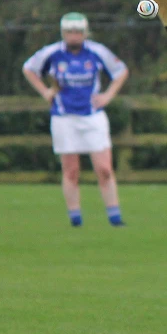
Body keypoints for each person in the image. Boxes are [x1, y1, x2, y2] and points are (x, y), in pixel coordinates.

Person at [23, 12, 129, 228]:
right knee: (71, 171)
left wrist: (108, 96)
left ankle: (115, 218)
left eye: (78, 32)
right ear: (63, 33)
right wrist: (45, 91)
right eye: (69, 32)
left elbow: (121, 71)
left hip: (93, 116)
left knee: (104, 169)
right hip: (64, 118)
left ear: (84, 33)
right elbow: (29, 68)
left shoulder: (96, 52)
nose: (73, 36)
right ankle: (76, 220)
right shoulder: (52, 53)